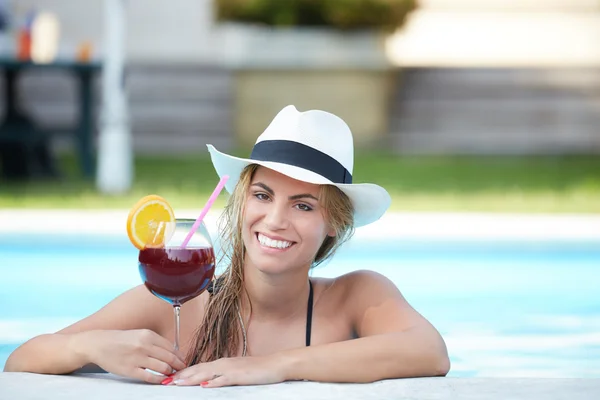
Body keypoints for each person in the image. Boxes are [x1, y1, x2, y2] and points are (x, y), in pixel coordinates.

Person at [4, 105, 450, 386]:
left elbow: (430, 352)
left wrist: (274, 366)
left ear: (334, 222)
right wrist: (92, 347)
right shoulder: (178, 300)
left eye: (303, 206)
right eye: (262, 196)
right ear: (239, 204)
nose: (275, 220)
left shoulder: (358, 297)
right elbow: (21, 361)